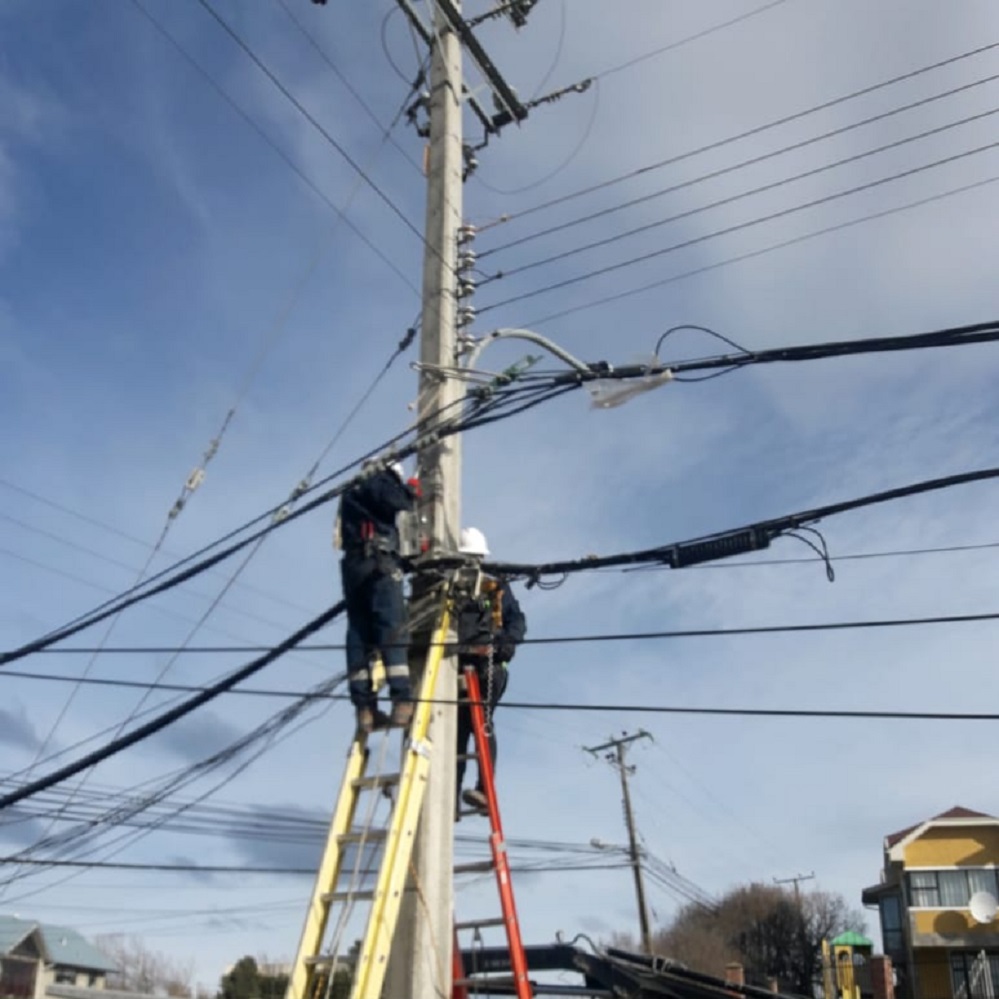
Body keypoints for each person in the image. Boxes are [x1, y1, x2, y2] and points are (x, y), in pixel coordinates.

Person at [337, 460, 420, 735]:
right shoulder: (378, 481)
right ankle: (402, 701)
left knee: (359, 634)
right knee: (391, 629)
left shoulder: (350, 492)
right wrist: (411, 489)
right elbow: (394, 501)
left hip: (354, 568)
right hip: (379, 564)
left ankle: (365, 708)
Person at [454, 527, 527, 815]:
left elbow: (517, 621)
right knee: (456, 734)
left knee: (480, 722)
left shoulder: (496, 587)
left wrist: (506, 643)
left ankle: (484, 790)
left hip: (489, 667)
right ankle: (450, 798)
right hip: (456, 667)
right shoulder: (451, 587)